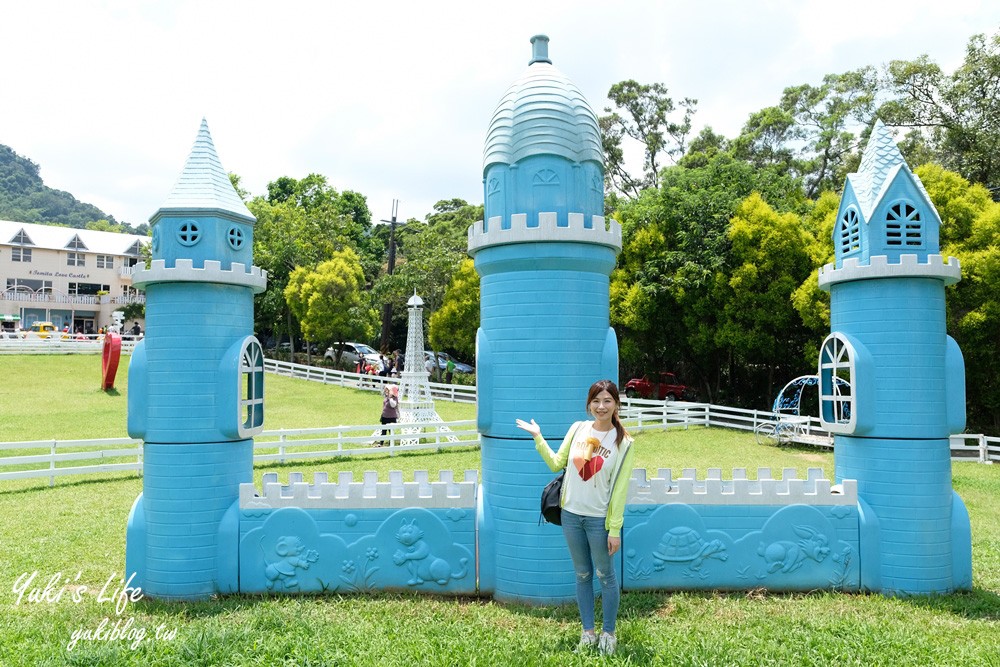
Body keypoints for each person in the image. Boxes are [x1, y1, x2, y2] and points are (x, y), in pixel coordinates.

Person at [515, 379, 636, 656]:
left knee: (606, 576)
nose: (601, 406)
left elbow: (619, 489)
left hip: (598, 521)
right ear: (589, 404)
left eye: (607, 400)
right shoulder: (578, 429)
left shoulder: (625, 443)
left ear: (616, 403)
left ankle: (608, 633)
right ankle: (588, 632)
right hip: (571, 515)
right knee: (582, 575)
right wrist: (538, 436)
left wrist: (614, 528)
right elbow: (557, 463)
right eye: (596, 400)